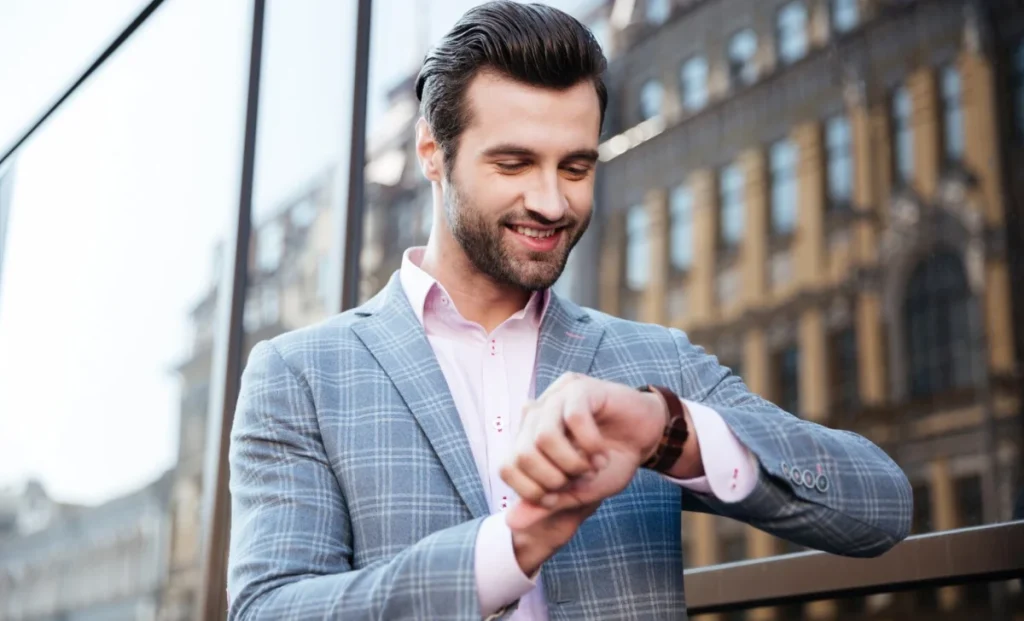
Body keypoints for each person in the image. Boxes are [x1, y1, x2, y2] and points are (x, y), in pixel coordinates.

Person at [226, 2, 913, 619]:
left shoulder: (649, 364)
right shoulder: (300, 373)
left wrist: (667, 432)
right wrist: (511, 545)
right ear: (434, 154)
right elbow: (272, 608)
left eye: (577, 168)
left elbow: (880, 505)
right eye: (515, 164)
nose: (553, 203)